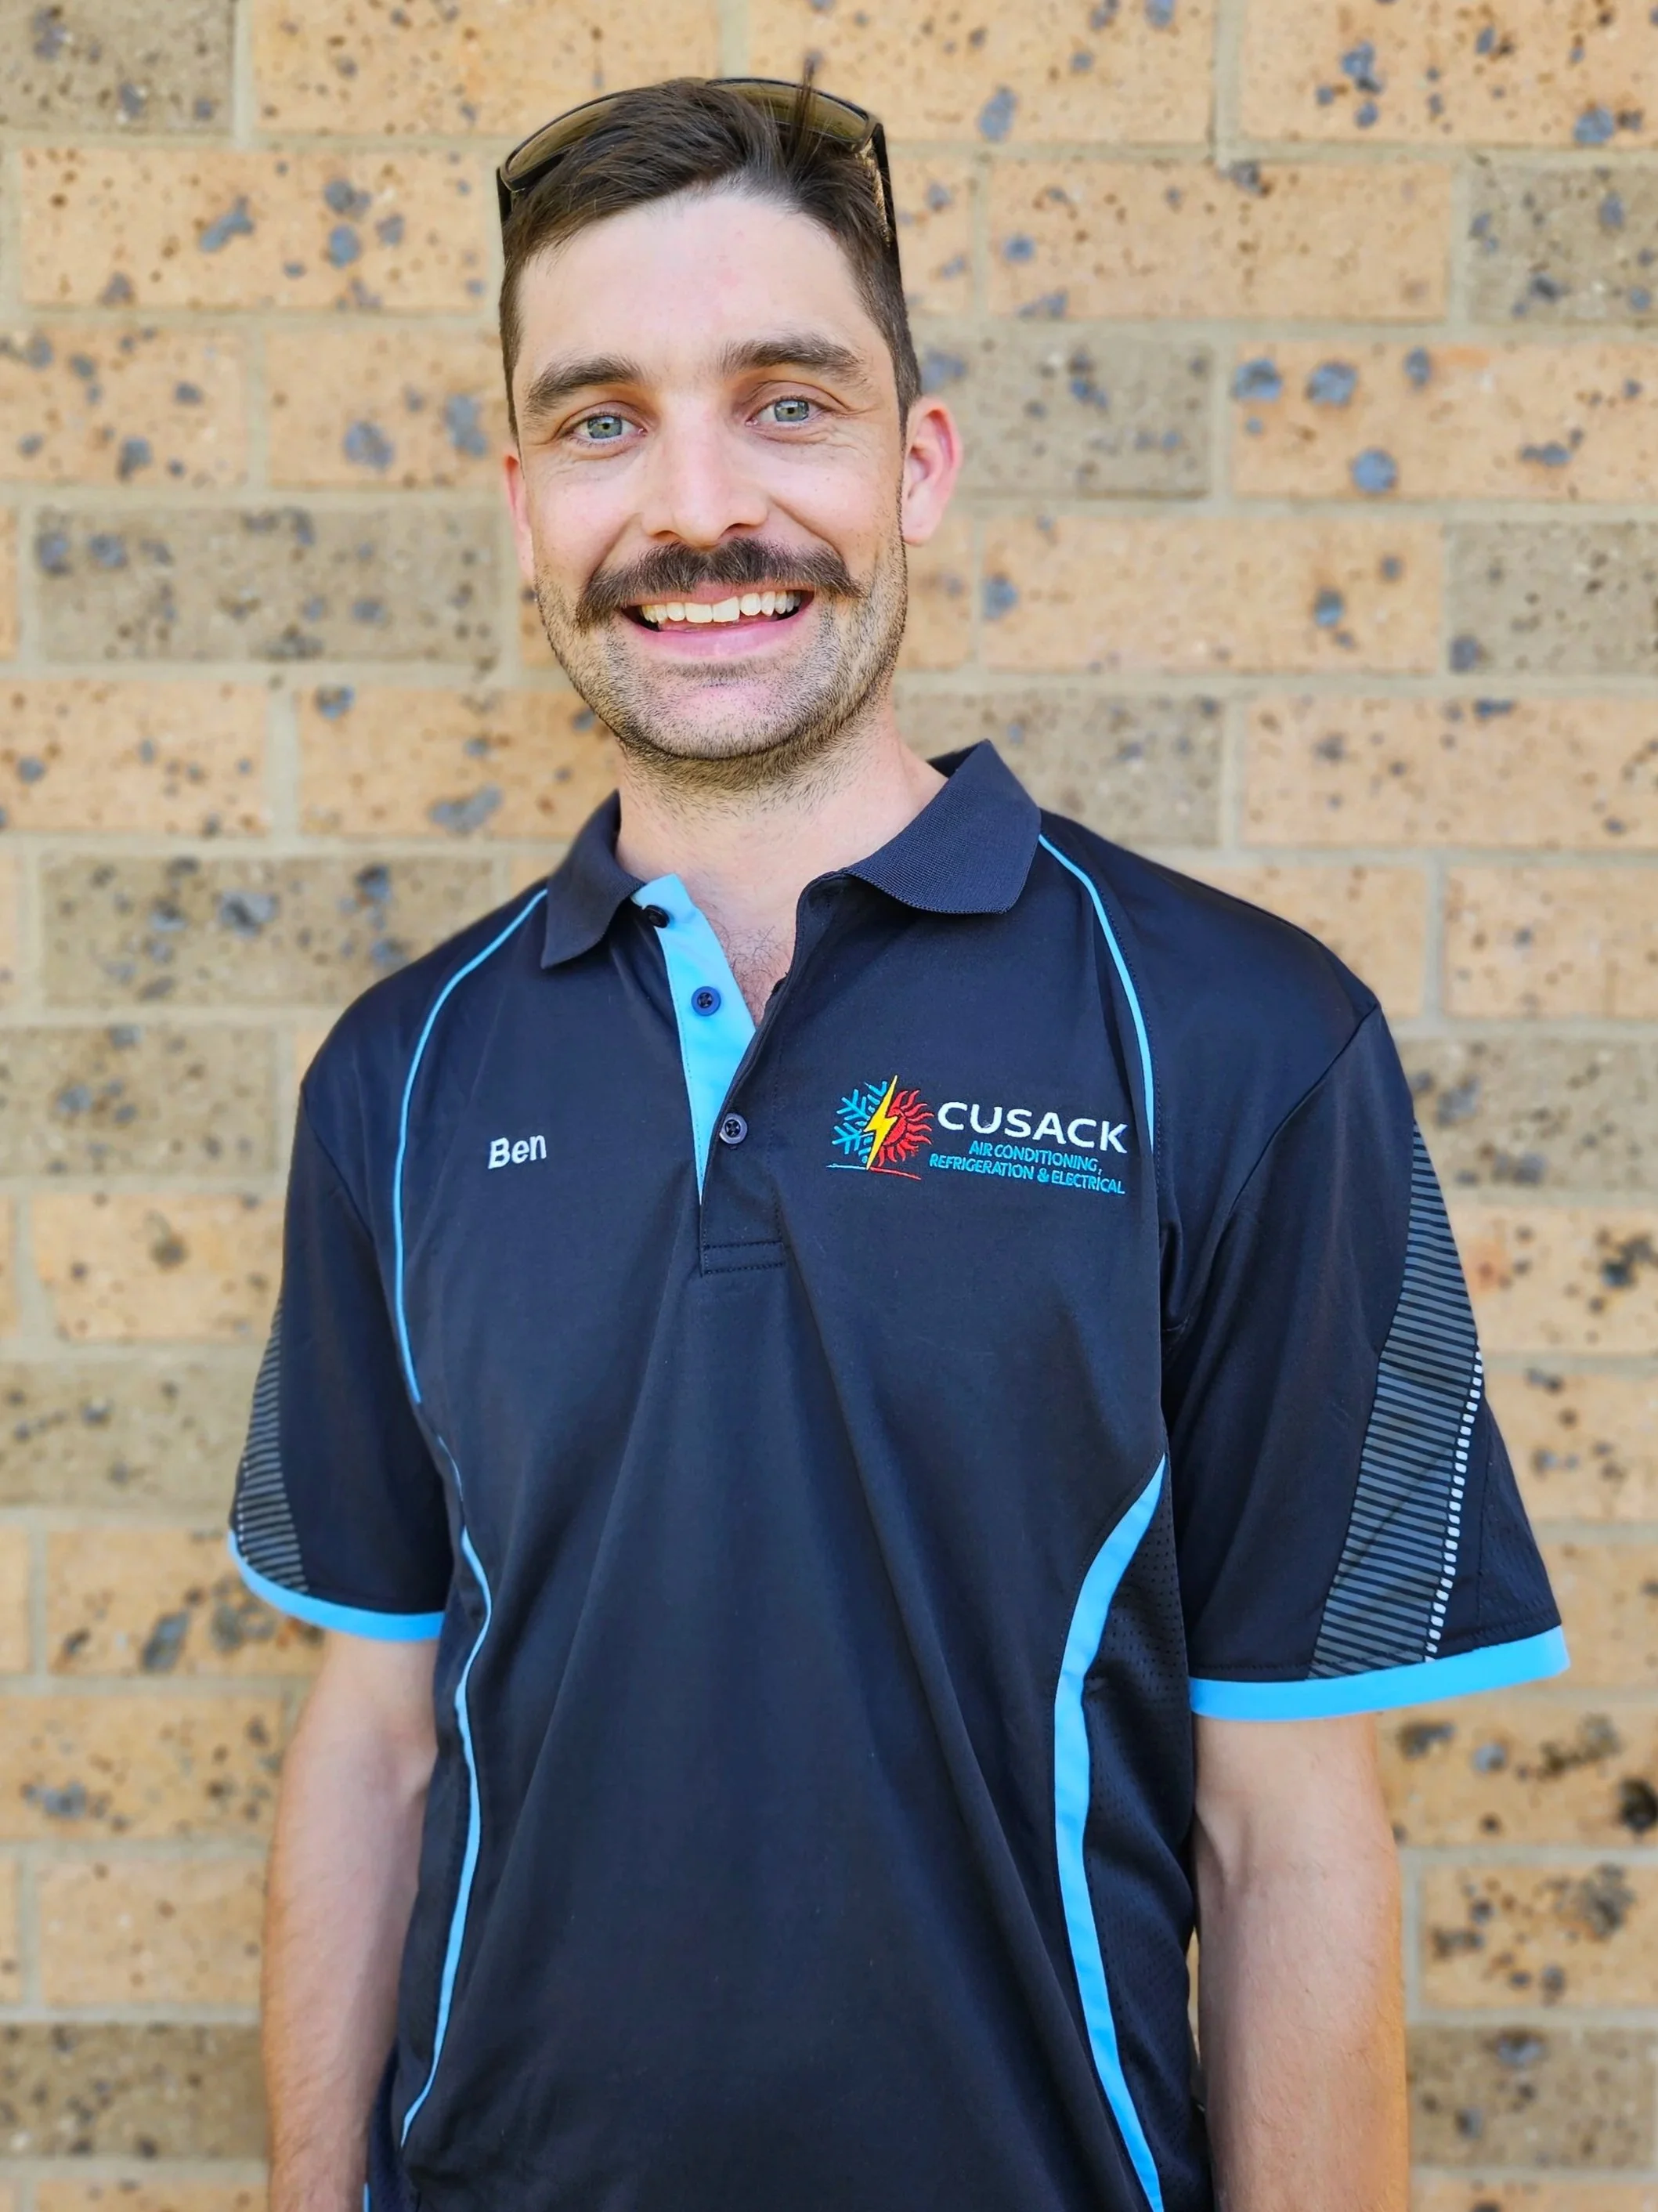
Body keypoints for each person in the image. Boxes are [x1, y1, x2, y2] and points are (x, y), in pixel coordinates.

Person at [229, 75, 1567, 2212]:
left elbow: (1287, 1828)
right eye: (600, 421)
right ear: (514, 505)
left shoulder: (1243, 1041)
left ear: (914, 462)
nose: (694, 508)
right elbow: (372, 1744)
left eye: (784, 402)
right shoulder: (398, 1080)